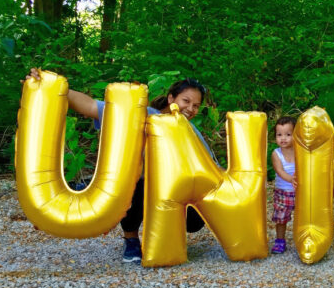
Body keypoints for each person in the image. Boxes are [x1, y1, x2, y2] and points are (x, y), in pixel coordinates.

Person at [24, 68, 217, 263]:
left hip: (170, 191)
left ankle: (166, 236)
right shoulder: (143, 114)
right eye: (186, 101)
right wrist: (48, 85)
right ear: (170, 99)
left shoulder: (190, 131)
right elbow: (90, 105)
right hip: (137, 184)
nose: (190, 109)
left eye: (196, 105)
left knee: (195, 218)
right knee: (135, 182)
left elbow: (211, 169)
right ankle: (131, 239)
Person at [270, 116, 296, 254]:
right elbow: (279, 171)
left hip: (299, 191)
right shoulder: (276, 154)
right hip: (283, 192)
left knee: (303, 216)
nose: (283, 138)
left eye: (288, 134)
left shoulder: (300, 151)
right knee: (281, 218)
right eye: (279, 135)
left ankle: (302, 237)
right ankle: (280, 240)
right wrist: (292, 179)